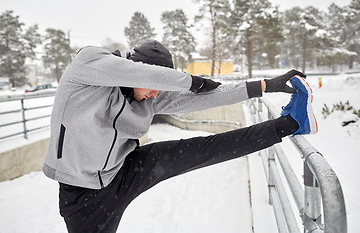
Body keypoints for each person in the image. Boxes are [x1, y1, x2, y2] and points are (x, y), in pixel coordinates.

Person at [43, 40, 318, 233]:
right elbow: (142, 74)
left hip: (125, 170)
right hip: (82, 195)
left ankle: (291, 123)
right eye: (155, 84)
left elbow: (207, 97)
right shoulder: (87, 67)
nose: (155, 94)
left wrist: (265, 85)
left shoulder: (149, 99)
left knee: (205, 149)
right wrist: (190, 80)